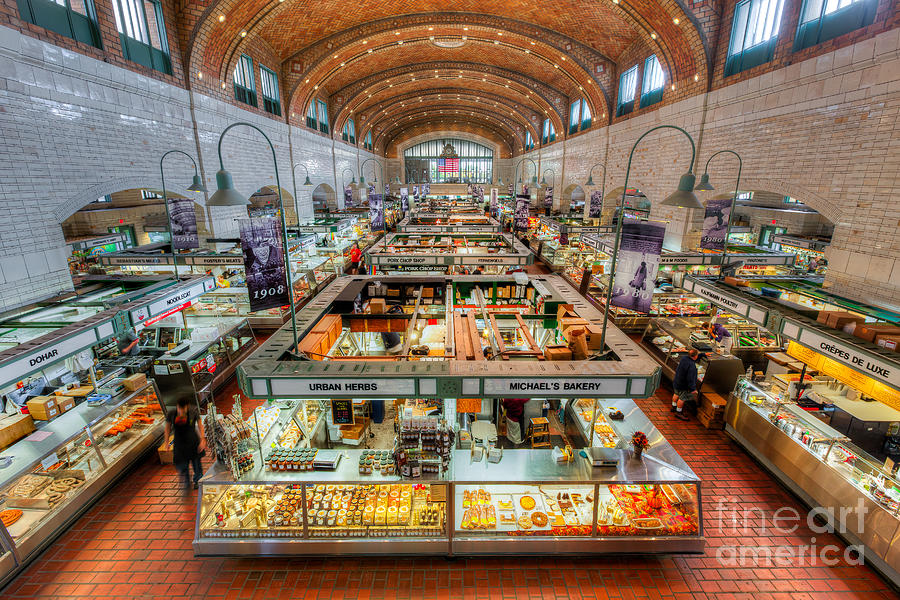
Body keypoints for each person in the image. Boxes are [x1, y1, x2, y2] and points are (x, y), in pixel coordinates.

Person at [165, 397, 205, 490]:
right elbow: (167, 428)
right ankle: (186, 481)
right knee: (182, 465)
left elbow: (200, 426)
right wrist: (166, 442)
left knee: (197, 464)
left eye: (183, 409)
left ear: (187, 407)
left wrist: (202, 440)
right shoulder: (171, 414)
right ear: (177, 406)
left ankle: (198, 481)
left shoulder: (193, 412)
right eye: (179, 408)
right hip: (179, 443)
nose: (181, 411)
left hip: (193, 442)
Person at [672, 349, 701, 421]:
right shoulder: (692, 366)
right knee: (682, 398)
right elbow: (690, 379)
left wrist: (703, 355)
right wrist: (693, 388)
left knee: (676, 394)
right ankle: (678, 413)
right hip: (684, 385)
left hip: (677, 381)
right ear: (695, 356)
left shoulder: (684, 358)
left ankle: (673, 407)